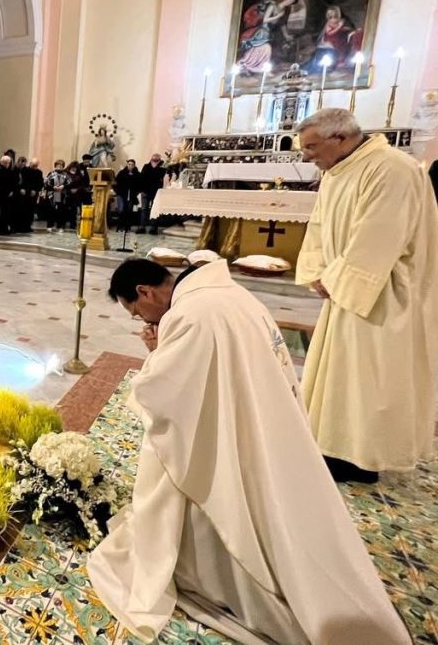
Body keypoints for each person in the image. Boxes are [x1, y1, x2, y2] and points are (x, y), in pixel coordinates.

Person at [88, 258, 411, 645]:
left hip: (235, 445)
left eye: (136, 310)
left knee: (204, 500)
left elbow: (164, 398)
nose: (142, 319)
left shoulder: (190, 316)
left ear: (145, 291)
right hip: (270, 429)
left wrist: (154, 359)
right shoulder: (232, 295)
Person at [295, 109, 438, 483]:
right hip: (345, 288)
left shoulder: (392, 168)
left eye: (312, 147)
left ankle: (364, 458)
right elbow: (320, 226)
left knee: (370, 378)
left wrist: (338, 277)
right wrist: (318, 272)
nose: (306, 156)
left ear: (340, 137)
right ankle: (334, 444)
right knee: (341, 374)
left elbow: (379, 237)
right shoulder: (336, 171)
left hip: (382, 293)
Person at [137, 153, 166, 235]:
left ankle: (153, 228)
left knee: (155, 210)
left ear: (159, 159)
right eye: (154, 157)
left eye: (157, 157)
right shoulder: (146, 166)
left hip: (156, 192)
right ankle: (142, 227)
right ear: (151, 158)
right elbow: (142, 177)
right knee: (144, 209)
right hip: (145, 191)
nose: (155, 158)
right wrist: (141, 189)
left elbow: (162, 178)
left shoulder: (162, 168)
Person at [17, 157, 44, 233]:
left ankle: (28, 226)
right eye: (33, 165)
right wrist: (21, 189)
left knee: (30, 210)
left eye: (36, 165)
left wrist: (36, 190)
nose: (35, 167)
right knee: (22, 210)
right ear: (30, 163)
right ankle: (20, 226)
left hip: (33, 194)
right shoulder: (24, 170)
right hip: (24, 193)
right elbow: (20, 181)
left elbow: (40, 183)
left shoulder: (39, 172)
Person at [113, 159, 142, 229]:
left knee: (129, 210)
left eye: (132, 165)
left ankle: (127, 226)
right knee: (121, 210)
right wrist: (117, 191)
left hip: (132, 195)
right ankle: (120, 226)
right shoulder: (122, 172)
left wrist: (136, 193)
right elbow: (115, 182)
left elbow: (140, 184)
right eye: (129, 164)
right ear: (127, 165)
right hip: (122, 194)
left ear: (134, 166)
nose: (130, 166)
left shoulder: (137, 174)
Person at [44, 159, 70, 232]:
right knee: (51, 210)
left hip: (62, 195)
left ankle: (60, 226)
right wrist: (53, 187)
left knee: (61, 211)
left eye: (61, 166)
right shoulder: (51, 173)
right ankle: (50, 226)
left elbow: (70, 183)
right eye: (58, 165)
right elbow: (46, 183)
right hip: (53, 194)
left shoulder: (66, 174)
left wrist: (63, 186)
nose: (59, 167)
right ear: (55, 166)